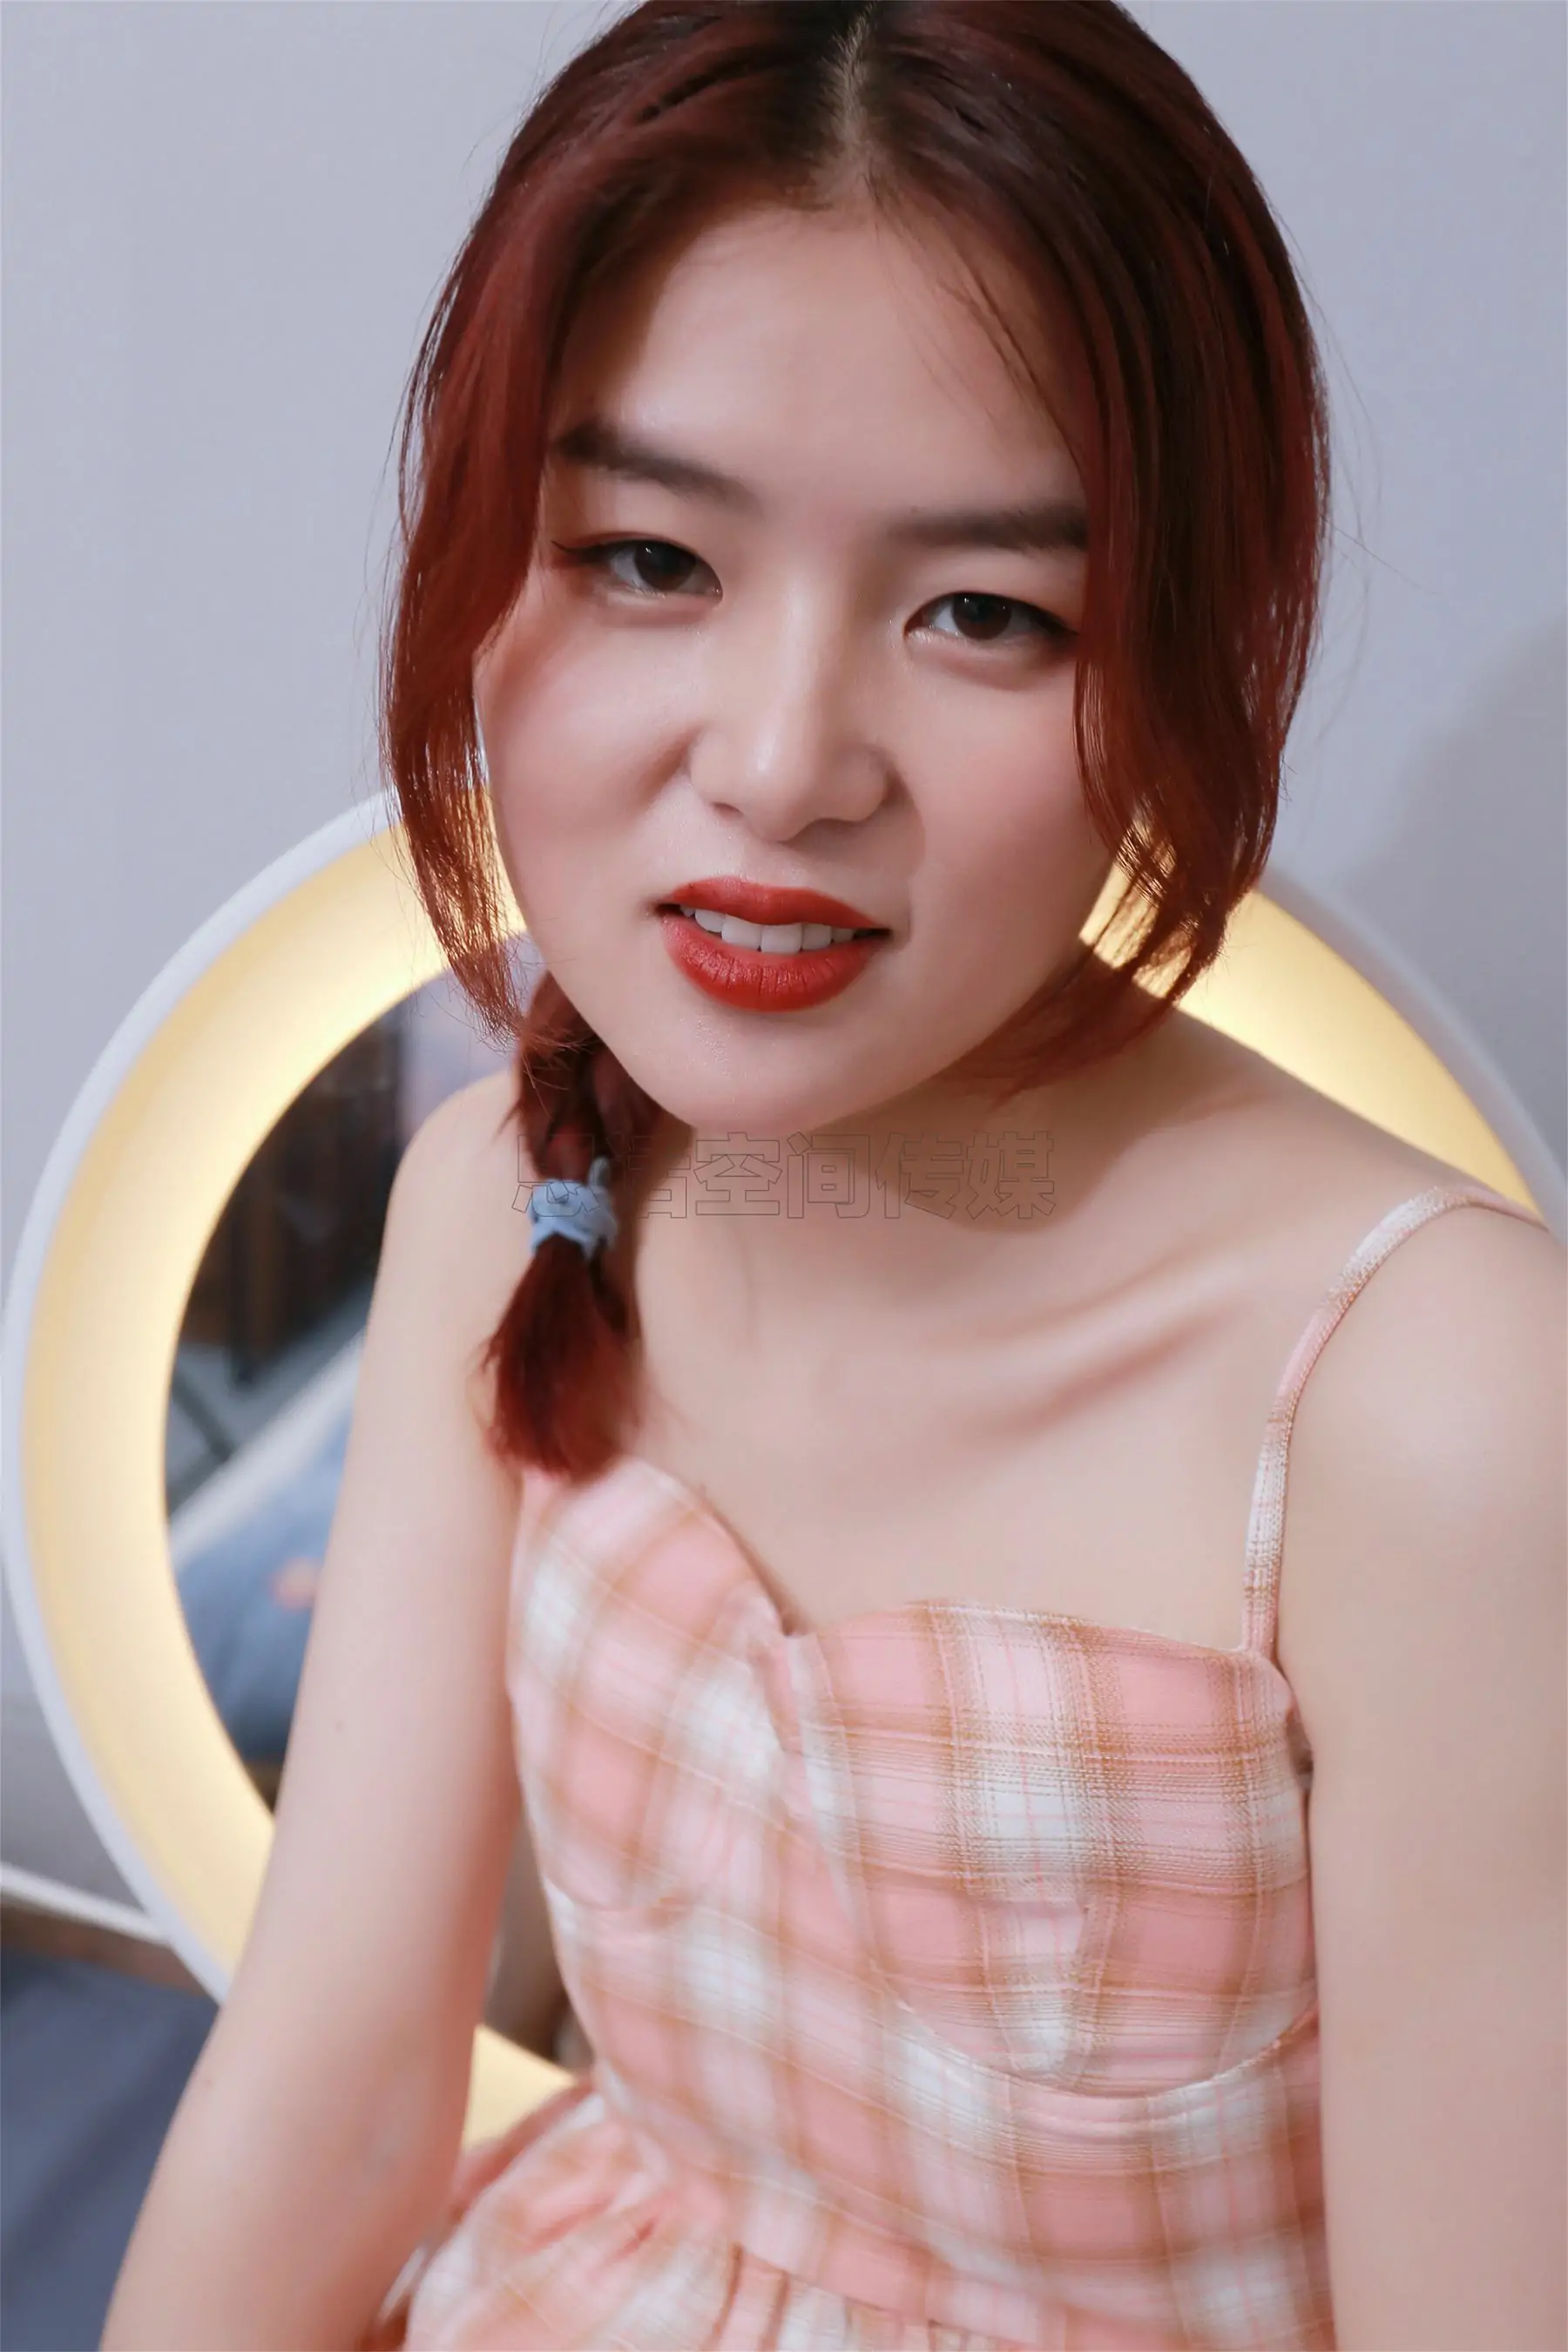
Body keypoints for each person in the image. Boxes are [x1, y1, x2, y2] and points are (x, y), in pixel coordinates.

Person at [103, 3, 1565, 2347]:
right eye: (647, 556)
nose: (785, 765)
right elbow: (335, 2100)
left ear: (1186, 652)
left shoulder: (1438, 1402)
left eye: (982, 610)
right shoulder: (508, 1197)